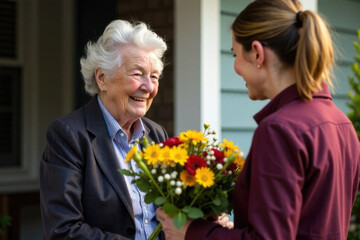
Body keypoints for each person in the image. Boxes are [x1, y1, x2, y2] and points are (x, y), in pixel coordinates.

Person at [156, 0, 360, 239]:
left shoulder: (279, 129)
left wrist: (192, 232)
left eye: (235, 54)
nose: (235, 67)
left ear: (257, 52)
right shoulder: (342, 124)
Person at [40, 19, 168, 239]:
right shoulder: (69, 135)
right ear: (102, 78)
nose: (148, 87)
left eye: (154, 76)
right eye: (137, 74)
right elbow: (64, 230)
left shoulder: (156, 134)